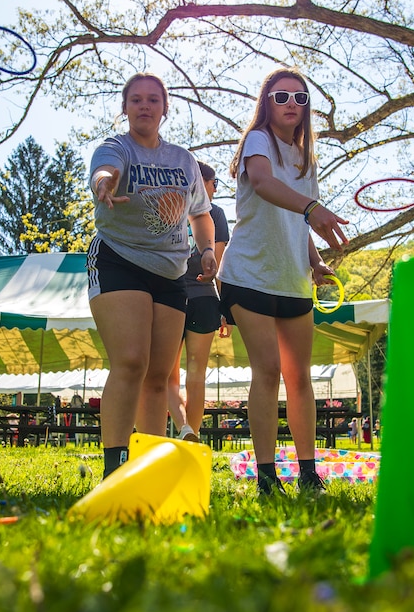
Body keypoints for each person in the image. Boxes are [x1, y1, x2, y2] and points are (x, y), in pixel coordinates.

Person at [218, 67, 349, 496]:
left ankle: (309, 474)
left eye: (299, 97)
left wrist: (314, 264)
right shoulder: (259, 141)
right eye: (281, 97)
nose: (292, 103)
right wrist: (313, 208)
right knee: (268, 370)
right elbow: (263, 183)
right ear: (266, 103)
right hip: (249, 274)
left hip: (292, 279)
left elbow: (297, 219)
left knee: (300, 378)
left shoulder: (307, 156)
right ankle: (267, 477)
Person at [88, 72, 218, 478]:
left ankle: (147, 471)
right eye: (136, 100)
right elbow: (104, 171)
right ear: (124, 107)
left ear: (164, 108)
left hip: (171, 270)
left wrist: (208, 250)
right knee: (130, 361)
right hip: (118, 259)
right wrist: (104, 185)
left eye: (153, 100)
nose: (144, 106)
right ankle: (114, 469)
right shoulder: (116, 146)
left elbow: (201, 214)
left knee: (159, 376)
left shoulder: (183, 161)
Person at [167, 161, 231, 443]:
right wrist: (225, 308)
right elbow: (217, 267)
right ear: (200, 182)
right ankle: (191, 440)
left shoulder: (171, 206)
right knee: (196, 373)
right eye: (213, 182)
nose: (216, 188)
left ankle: (184, 429)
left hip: (170, 296)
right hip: (204, 298)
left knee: (166, 375)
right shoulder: (215, 214)